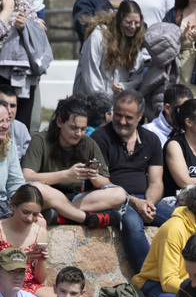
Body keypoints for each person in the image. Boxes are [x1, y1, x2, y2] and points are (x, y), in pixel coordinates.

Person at [21, 96, 129, 227]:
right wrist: (67, 175)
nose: (78, 133)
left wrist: (93, 176)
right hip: (47, 196)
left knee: (119, 194)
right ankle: (86, 218)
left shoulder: (88, 143)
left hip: (77, 199)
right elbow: (27, 177)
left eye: (83, 129)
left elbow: (105, 182)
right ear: (60, 122)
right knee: (36, 188)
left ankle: (63, 216)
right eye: (73, 128)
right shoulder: (41, 140)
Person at [92, 90, 165, 272]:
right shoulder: (100, 138)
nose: (122, 121)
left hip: (145, 198)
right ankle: (146, 277)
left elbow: (156, 181)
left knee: (180, 218)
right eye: (118, 115)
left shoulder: (151, 139)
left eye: (128, 117)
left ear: (140, 116)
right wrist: (133, 201)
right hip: (114, 200)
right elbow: (99, 180)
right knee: (132, 223)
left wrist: (148, 203)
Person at [0, 183, 52, 297]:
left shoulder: (40, 232)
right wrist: (22, 259)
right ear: (13, 206)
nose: (30, 218)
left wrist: (41, 261)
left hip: (30, 284)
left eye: (35, 214)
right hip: (5, 283)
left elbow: (40, 279)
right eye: (25, 212)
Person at [74, 0, 148, 100]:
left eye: (137, 23)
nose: (133, 27)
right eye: (128, 22)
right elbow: (91, 75)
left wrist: (124, 87)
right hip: (90, 101)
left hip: (116, 105)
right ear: (119, 20)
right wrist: (103, 105)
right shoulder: (98, 36)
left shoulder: (136, 40)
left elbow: (137, 76)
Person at [143, 82, 192, 148]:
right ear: (168, 108)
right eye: (182, 109)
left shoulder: (192, 131)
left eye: (190, 109)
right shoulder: (147, 132)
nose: (187, 114)